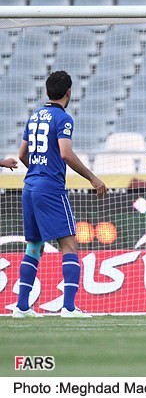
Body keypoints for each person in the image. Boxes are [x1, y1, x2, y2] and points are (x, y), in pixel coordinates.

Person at [13, 70, 107, 319]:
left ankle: (22, 307)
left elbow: (22, 154)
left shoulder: (34, 116)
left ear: (47, 91)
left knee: (34, 246)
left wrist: (37, 171)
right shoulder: (63, 118)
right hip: (50, 188)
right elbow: (65, 153)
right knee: (69, 245)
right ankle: (69, 307)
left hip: (29, 186)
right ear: (69, 92)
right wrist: (92, 178)